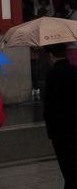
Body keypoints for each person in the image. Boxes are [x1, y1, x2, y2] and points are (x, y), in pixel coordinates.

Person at [43, 42, 77, 188]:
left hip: (60, 132)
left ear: (51, 56)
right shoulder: (75, 71)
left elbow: (49, 106)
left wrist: (51, 131)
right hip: (76, 127)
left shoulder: (52, 75)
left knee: (67, 169)